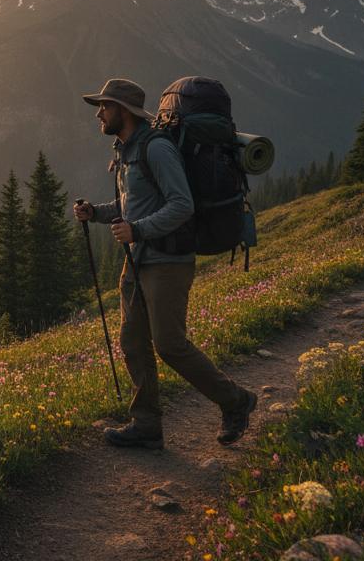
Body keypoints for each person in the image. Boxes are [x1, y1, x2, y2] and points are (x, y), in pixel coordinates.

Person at [73, 78, 256, 449]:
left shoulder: (157, 149)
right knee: (133, 341)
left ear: (122, 111)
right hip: (138, 260)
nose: (99, 113)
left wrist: (137, 231)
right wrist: (96, 213)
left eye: (104, 106)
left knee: (169, 345)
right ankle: (146, 425)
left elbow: (181, 205)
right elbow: (133, 205)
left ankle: (237, 401)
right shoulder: (127, 149)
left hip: (167, 261)